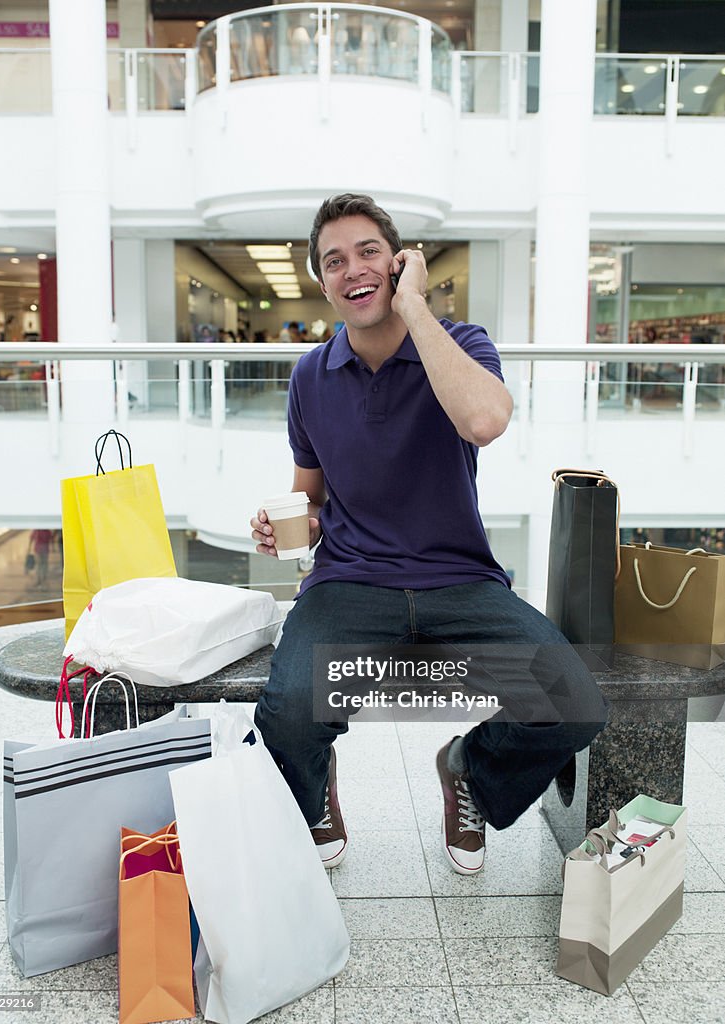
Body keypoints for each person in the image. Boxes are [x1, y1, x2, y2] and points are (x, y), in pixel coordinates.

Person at [250, 193, 608, 873]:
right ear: (320, 282)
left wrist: (414, 307)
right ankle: (311, 783)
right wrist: (283, 525)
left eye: (367, 253)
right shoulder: (310, 376)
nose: (351, 269)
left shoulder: (461, 344)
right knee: (291, 712)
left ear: (398, 262)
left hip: (459, 580)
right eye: (333, 261)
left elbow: (483, 422)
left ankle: (468, 767)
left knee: (573, 701)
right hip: (350, 582)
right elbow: (311, 497)